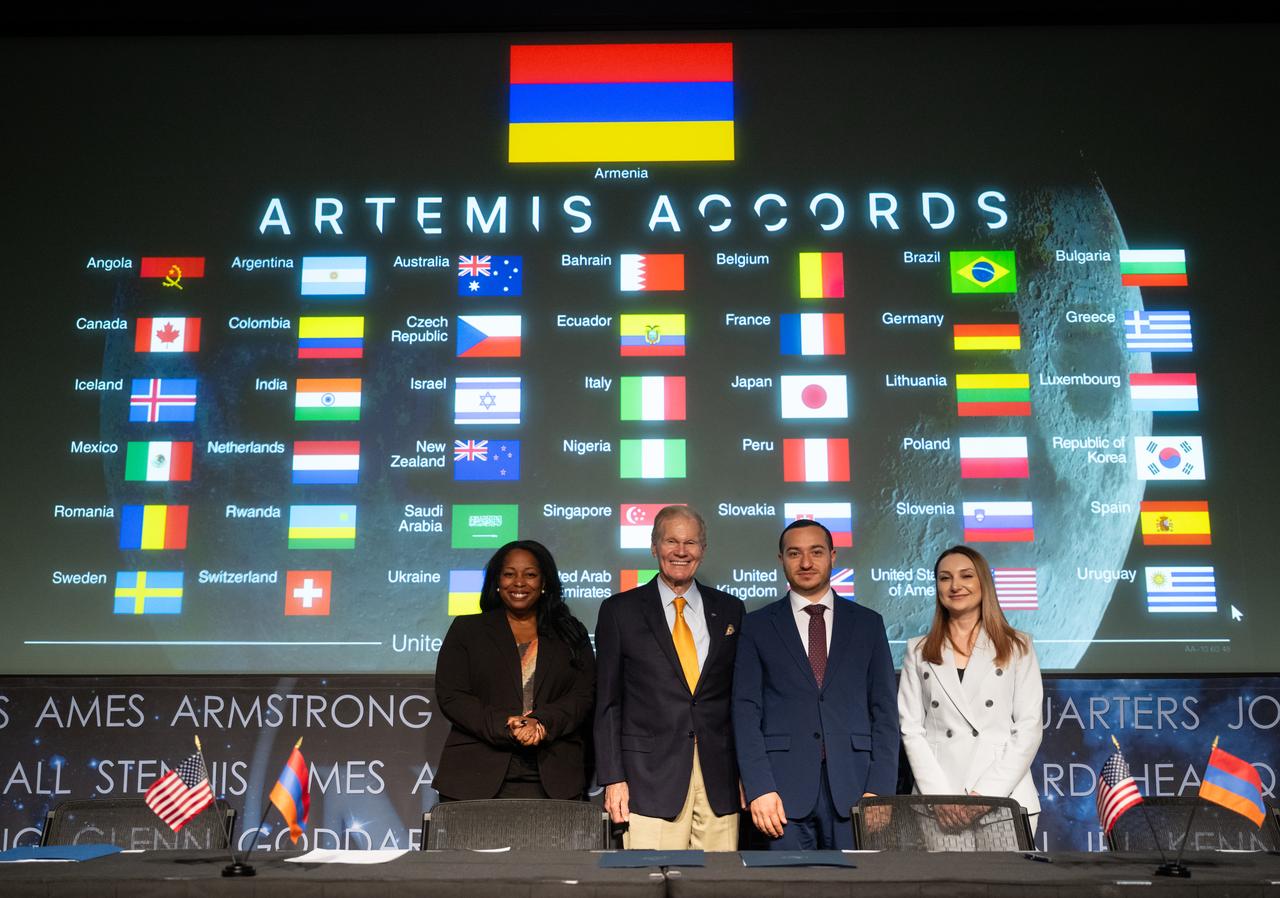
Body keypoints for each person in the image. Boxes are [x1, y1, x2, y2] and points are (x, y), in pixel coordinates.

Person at [733, 519, 899, 850]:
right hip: (780, 794)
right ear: (781, 560)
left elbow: (884, 712)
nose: (806, 563)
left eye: (816, 552)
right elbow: (745, 712)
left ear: (833, 556)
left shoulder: (868, 623)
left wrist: (880, 790)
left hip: (855, 789)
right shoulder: (757, 626)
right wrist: (759, 787)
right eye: (794, 553)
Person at [594, 505, 745, 850]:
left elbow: (738, 699)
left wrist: (746, 773)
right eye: (671, 541)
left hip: (719, 780)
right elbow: (608, 703)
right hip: (648, 779)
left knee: (719, 886)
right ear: (654, 546)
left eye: (690, 542)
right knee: (650, 882)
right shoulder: (620, 611)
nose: (681, 551)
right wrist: (613, 778)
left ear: (702, 550)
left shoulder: (731, 609)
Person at [897, 545, 1043, 834]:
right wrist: (941, 800)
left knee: (1010, 880)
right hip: (938, 804)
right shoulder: (918, 650)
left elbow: (1029, 727)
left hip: (1004, 797)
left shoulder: (1018, 646)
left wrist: (984, 797)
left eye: (966, 576)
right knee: (944, 881)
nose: (955, 586)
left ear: (983, 584)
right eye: (944, 578)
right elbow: (911, 729)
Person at [434, 539, 595, 801]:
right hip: (474, 776)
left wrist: (541, 722)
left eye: (530, 574)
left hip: (554, 778)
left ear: (544, 583)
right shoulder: (467, 630)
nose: (519, 582)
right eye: (509, 574)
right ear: (497, 581)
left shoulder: (571, 633)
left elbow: (583, 695)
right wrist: (506, 725)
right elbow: (452, 695)